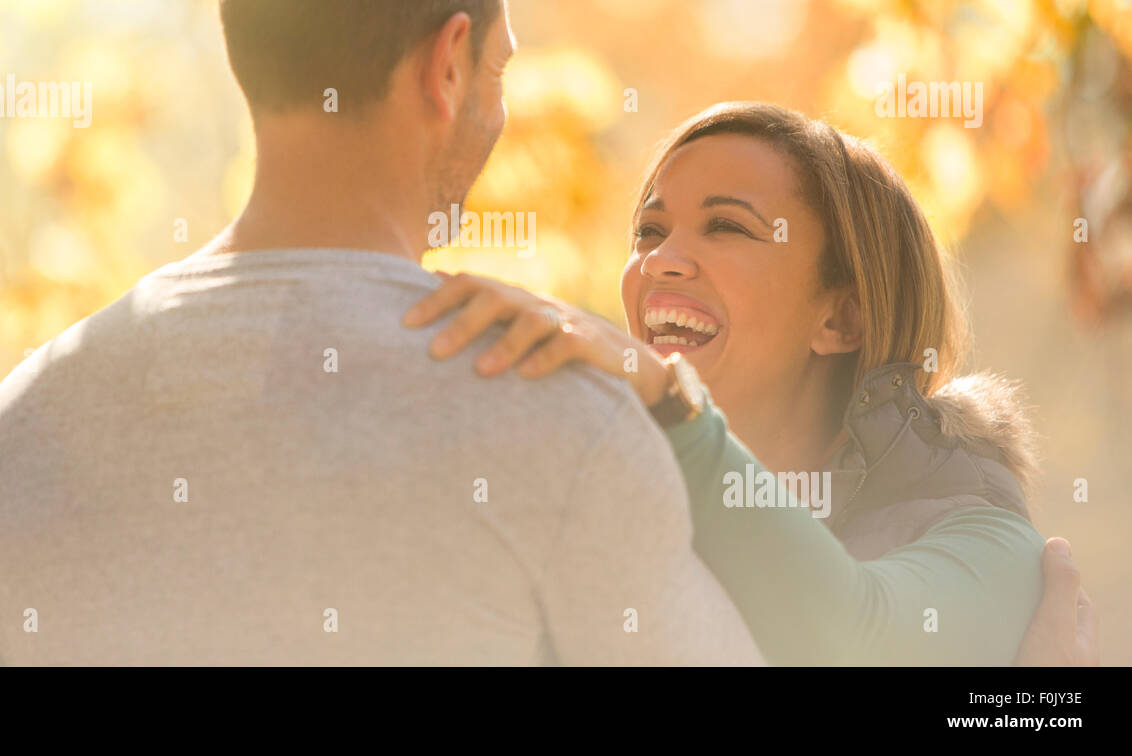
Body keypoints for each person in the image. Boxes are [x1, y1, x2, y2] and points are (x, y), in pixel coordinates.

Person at [0, 0, 763, 666]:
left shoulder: (9, 441)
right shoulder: (564, 418)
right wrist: (679, 413)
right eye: (496, 70)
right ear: (447, 67)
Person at [405, 101, 1100, 665]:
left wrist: (674, 406)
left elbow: (849, 641)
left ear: (842, 316)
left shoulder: (988, 541)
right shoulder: (614, 502)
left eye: (726, 227)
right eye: (649, 230)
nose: (662, 261)